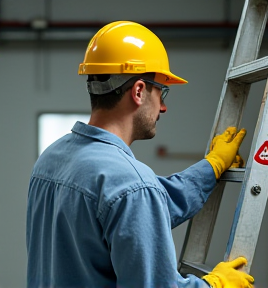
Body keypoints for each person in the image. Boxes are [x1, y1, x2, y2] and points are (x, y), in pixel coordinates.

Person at [26, 21, 254, 288]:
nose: (164, 107)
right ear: (138, 91)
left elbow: (144, 206)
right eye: (161, 92)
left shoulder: (51, 160)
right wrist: (215, 285)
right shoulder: (130, 184)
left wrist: (212, 167)